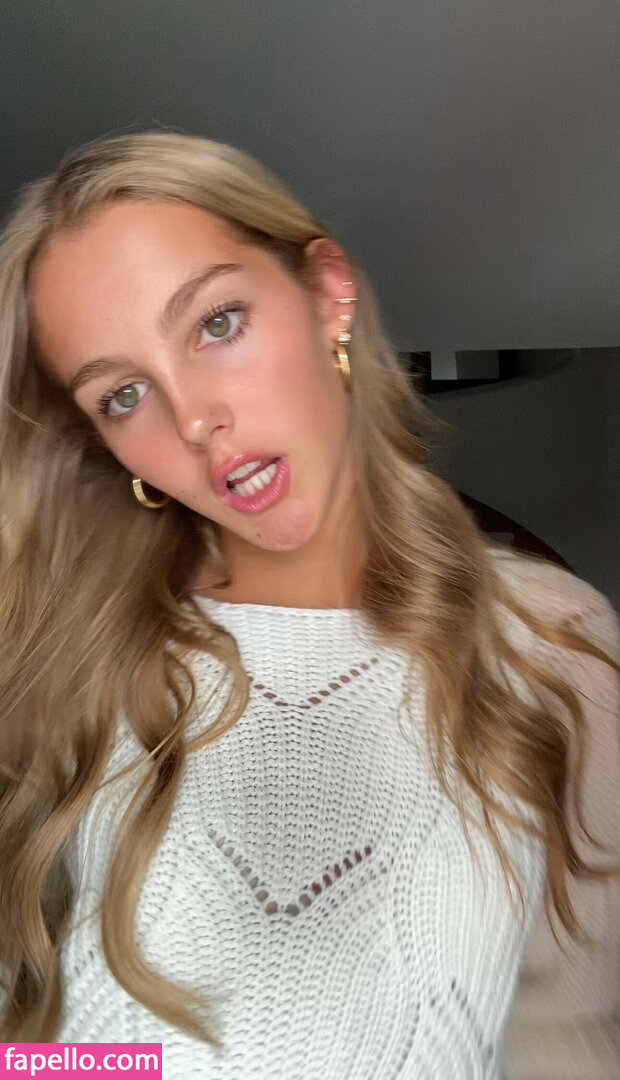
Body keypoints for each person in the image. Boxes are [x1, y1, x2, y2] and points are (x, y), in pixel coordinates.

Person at [0, 131, 617, 1080]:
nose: (194, 419)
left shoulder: (552, 642)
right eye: (122, 394)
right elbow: (31, 1037)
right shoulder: (70, 648)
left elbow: (568, 1035)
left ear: (327, 292)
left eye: (216, 323)